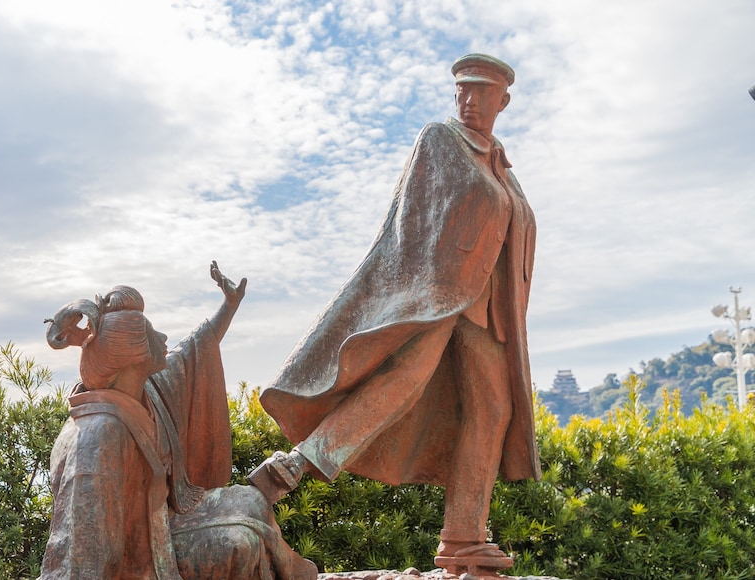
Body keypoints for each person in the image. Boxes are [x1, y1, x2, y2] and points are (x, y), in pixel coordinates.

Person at [254, 54, 541, 575]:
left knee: (493, 411)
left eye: (483, 92)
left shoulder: (503, 166)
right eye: (464, 91)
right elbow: (412, 225)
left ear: (503, 100)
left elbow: (510, 223)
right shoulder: (442, 141)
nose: (471, 101)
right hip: (438, 294)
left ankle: (462, 537)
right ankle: (289, 468)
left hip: (487, 309)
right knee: (400, 381)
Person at [40, 262, 316, 580]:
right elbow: (80, 544)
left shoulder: (149, 389)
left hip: (166, 522)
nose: (163, 336)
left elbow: (196, 348)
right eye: (150, 333)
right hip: (143, 556)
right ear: (134, 355)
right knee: (241, 540)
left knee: (250, 500)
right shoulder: (96, 435)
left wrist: (229, 306)